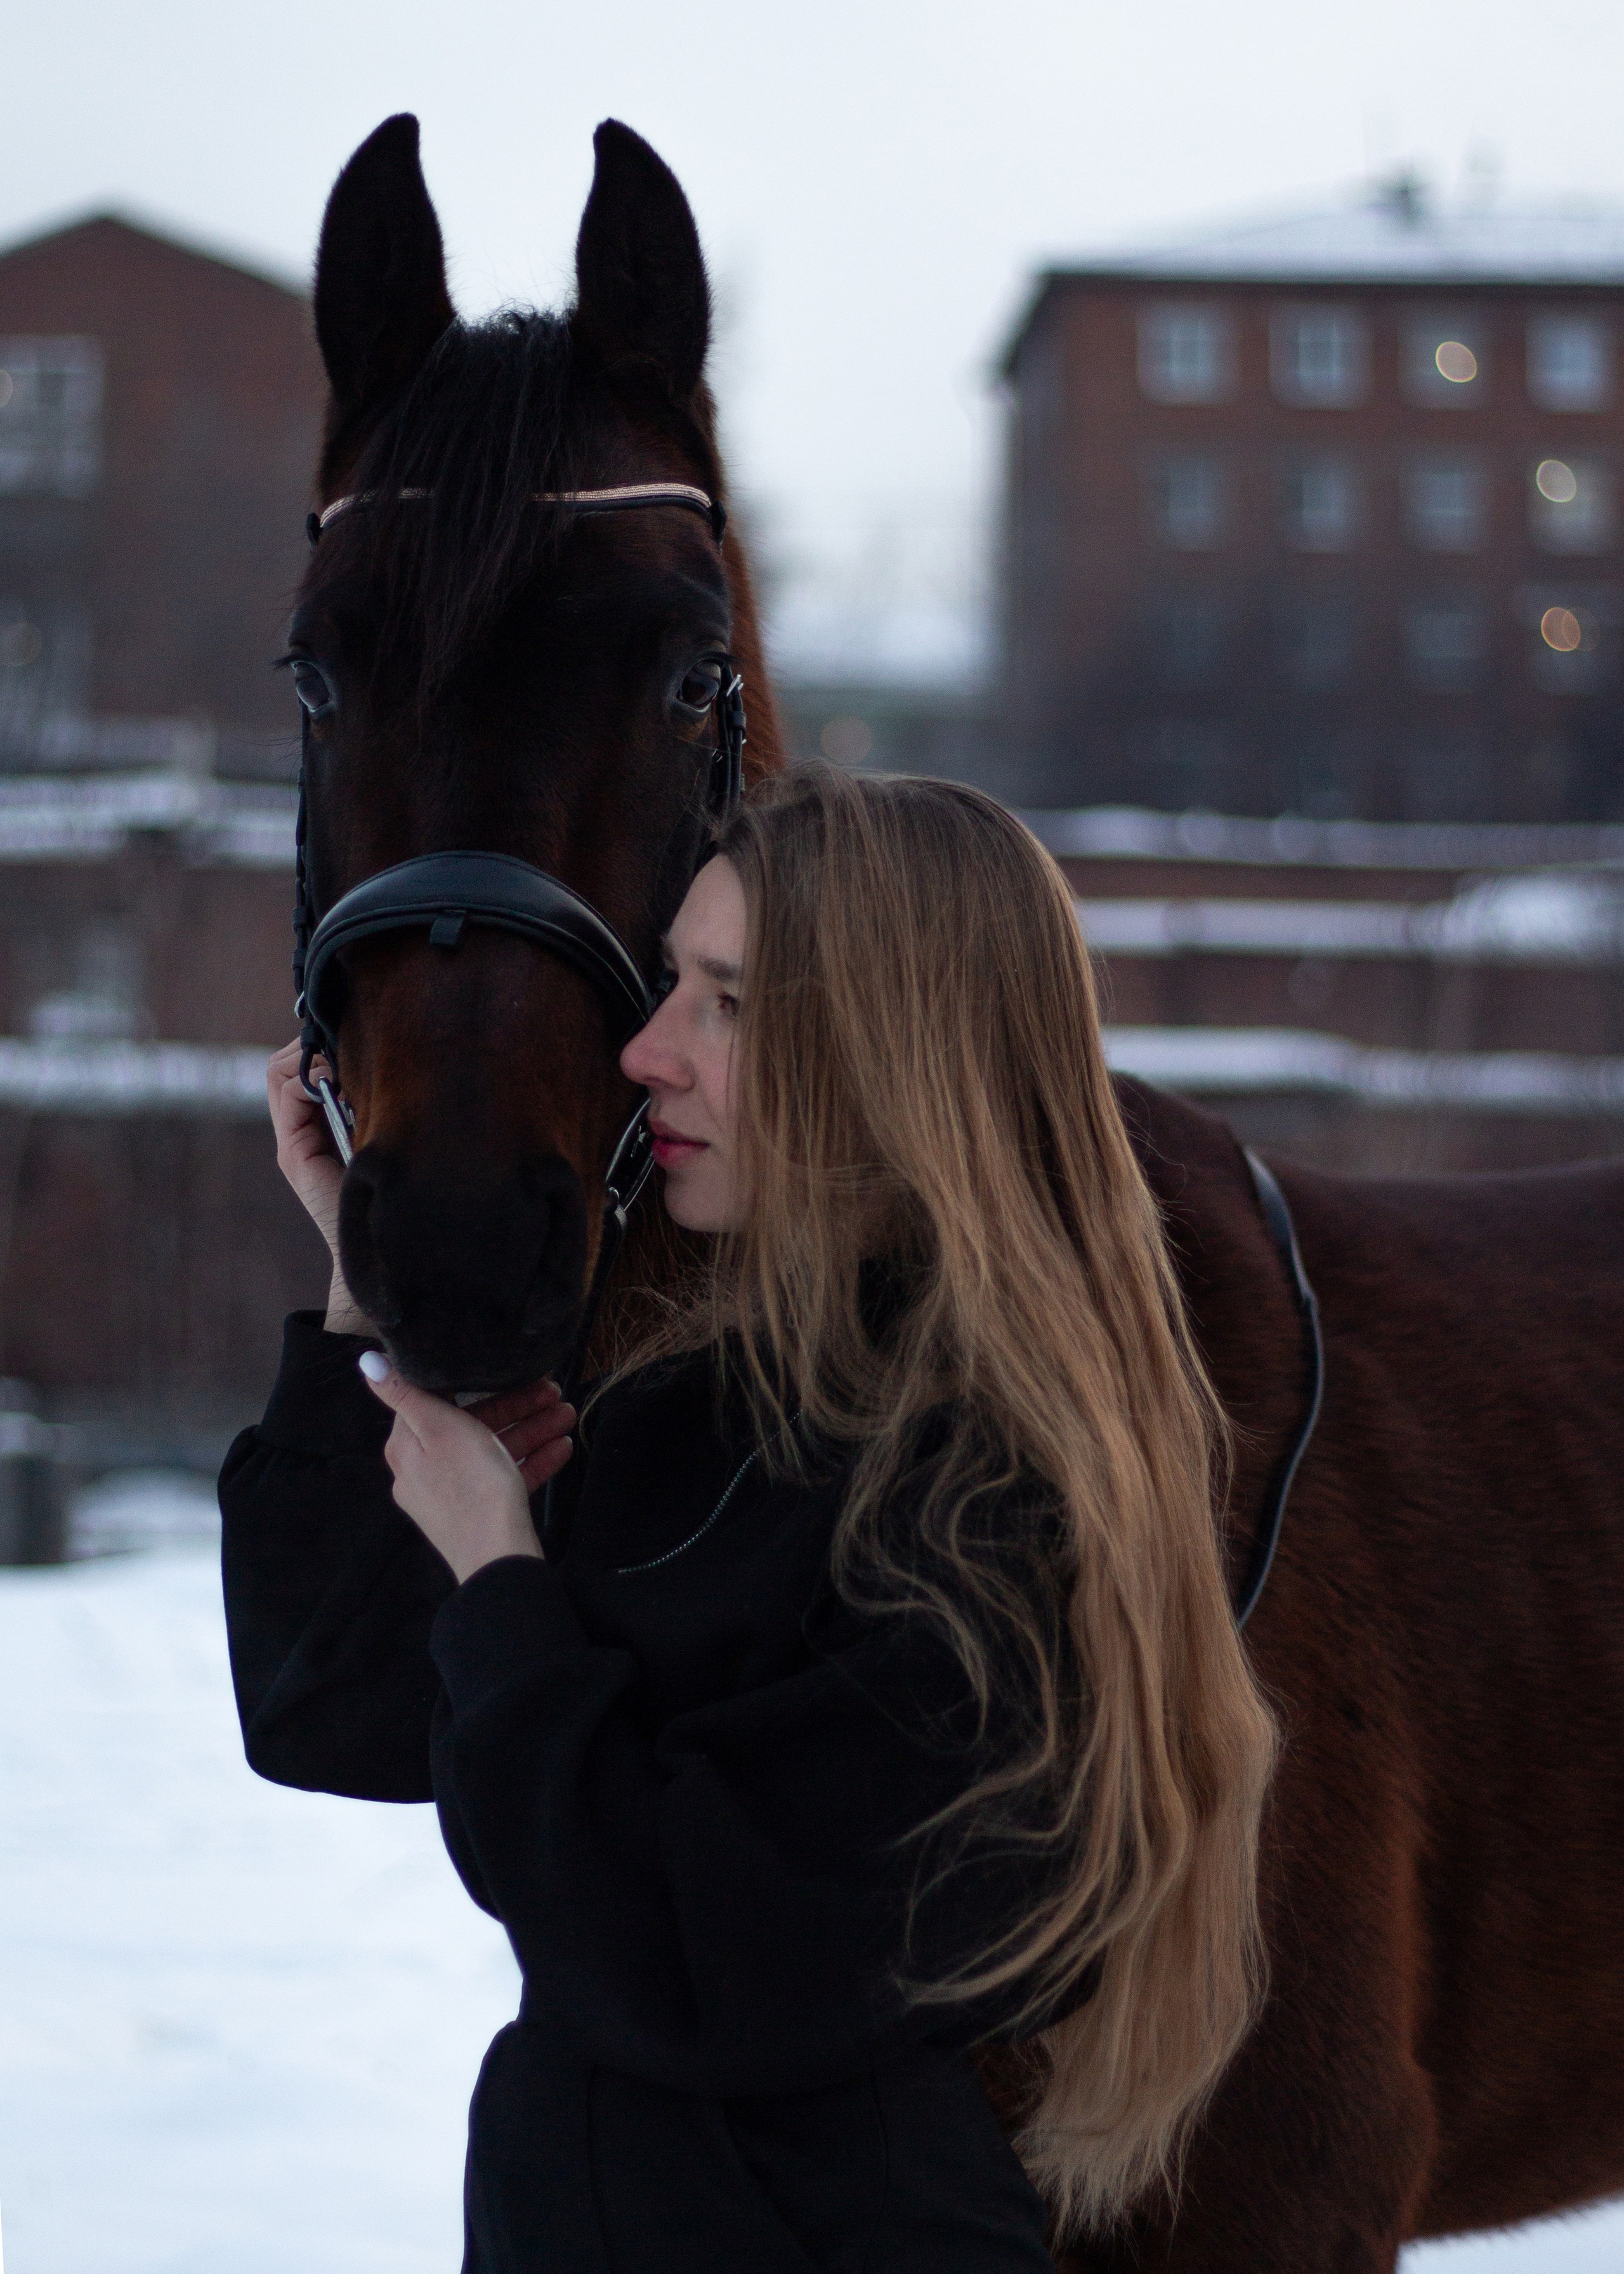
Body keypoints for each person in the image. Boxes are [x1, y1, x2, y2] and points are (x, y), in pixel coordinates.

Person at [221, 765, 1277, 2273]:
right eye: (670, 986)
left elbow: (676, 1953)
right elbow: (332, 1710)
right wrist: (358, 1293)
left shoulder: (989, 1496)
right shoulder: (714, 1405)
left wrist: (506, 1577)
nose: (646, 1052)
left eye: (724, 1002)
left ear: (892, 1048)